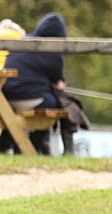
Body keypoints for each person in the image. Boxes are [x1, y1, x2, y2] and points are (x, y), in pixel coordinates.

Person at [0, 13, 67, 155]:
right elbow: (58, 80)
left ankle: (11, 147)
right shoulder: (53, 51)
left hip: (4, 96)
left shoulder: (23, 41)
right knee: (52, 102)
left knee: (8, 118)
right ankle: (32, 148)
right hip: (30, 99)